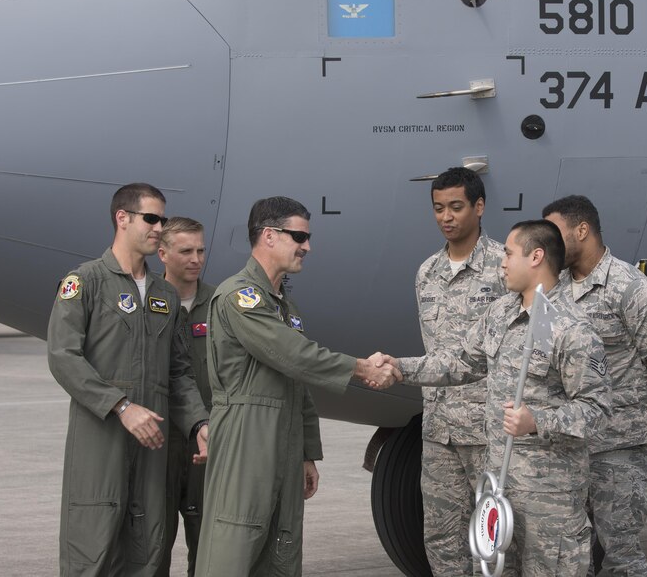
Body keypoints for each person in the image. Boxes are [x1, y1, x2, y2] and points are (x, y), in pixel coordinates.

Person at [375, 219, 611, 576]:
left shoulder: (571, 326)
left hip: (550, 501)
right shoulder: (500, 314)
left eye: (509, 253)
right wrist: (398, 368)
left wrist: (538, 421)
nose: (501, 262)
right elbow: (459, 363)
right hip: (501, 492)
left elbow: (597, 409)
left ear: (536, 257)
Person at [193, 196, 400, 577]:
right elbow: (293, 355)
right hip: (246, 434)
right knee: (236, 539)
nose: (307, 246)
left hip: (283, 440)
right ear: (269, 236)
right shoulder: (241, 296)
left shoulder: (283, 306)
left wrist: (307, 453)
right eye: (299, 236)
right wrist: (360, 368)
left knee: (282, 543)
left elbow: (299, 385)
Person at [47, 183, 210, 577]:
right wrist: (120, 406)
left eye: (163, 220)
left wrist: (200, 424)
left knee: (149, 549)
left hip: (153, 445)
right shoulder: (85, 282)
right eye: (151, 219)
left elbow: (178, 372)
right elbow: (63, 357)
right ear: (122, 218)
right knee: (94, 546)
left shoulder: (164, 296)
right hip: (100, 439)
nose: (159, 228)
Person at [543, 195, 647, 577]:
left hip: (621, 443)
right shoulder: (555, 288)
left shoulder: (632, 288)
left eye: (556, 233)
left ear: (582, 230)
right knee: (572, 556)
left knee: (622, 555)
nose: (548, 243)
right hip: (572, 442)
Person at [415, 167, 507, 575]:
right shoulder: (426, 273)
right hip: (439, 430)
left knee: (495, 535)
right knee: (441, 535)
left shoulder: (506, 266)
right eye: (438, 209)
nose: (446, 217)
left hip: (489, 429)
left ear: (479, 206)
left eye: (455, 207)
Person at [156, 217, 215, 577]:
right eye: (186, 251)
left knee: (207, 541)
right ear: (162, 254)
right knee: (152, 544)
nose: (196, 259)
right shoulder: (148, 303)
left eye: (201, 250)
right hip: (159, 442)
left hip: (205, 441)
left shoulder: (221, 304)